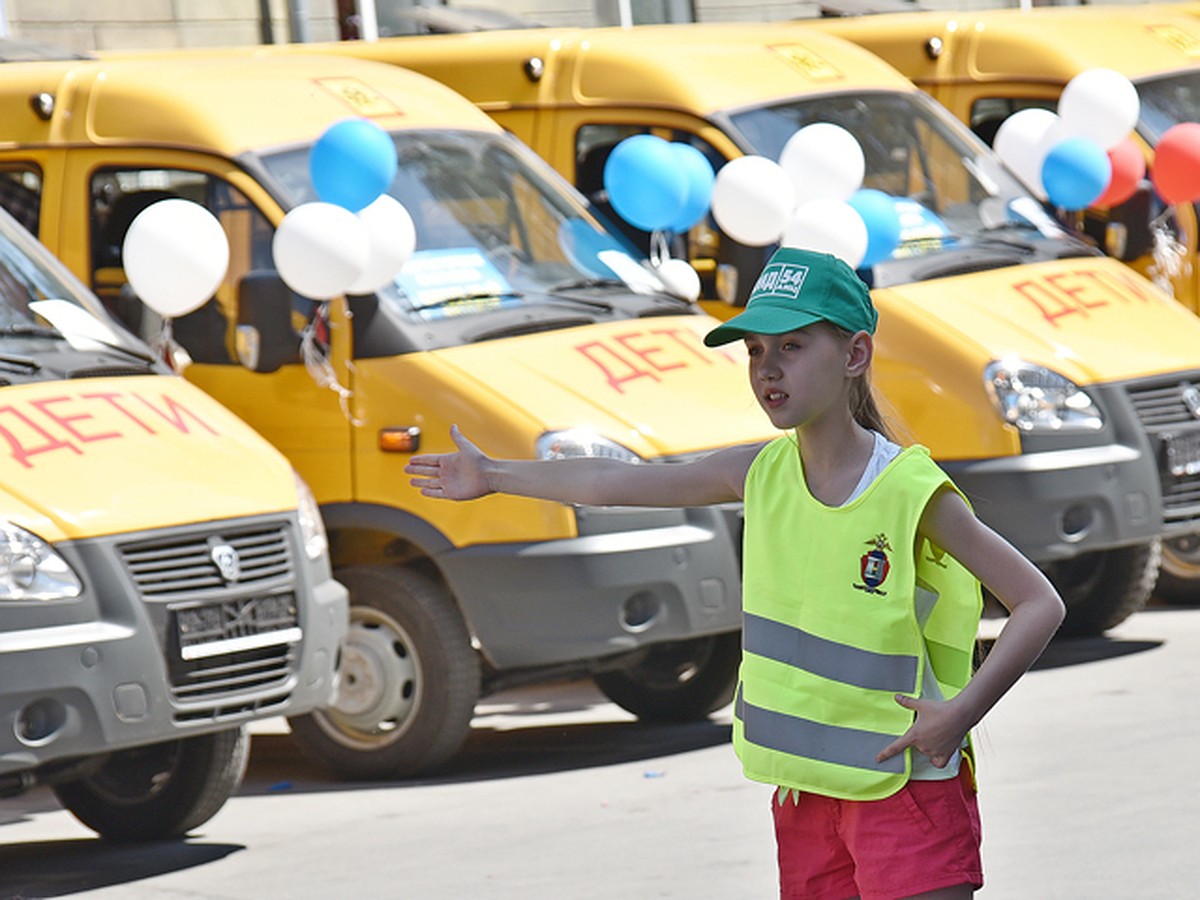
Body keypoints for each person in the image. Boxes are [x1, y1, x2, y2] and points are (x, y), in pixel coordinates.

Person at [405, 246, 1066, 900]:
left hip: (905, 786)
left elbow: (1038, 603)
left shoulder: (908, 489)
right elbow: (613, 480)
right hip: (808, 789)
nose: (767, 369)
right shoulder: (759, 472)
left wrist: (958, 715)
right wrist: (493, 476)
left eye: (792, 347)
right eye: (754, 352)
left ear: (855, 355)